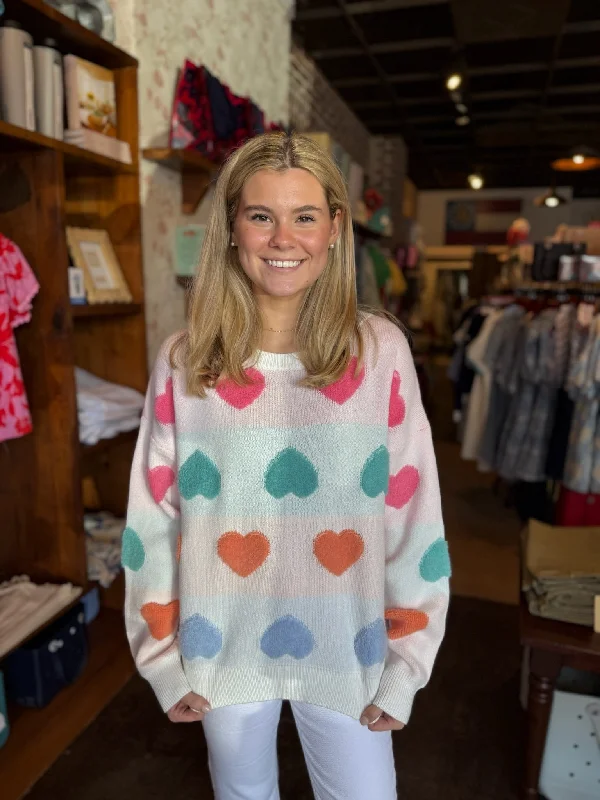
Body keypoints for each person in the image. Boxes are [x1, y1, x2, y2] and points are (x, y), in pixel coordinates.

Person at [123, 132, 450, 800]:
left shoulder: (378, 352)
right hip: (220, 646)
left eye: (304, 216)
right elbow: (151, 521)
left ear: (334, 228)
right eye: (260, 215)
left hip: (349, 646)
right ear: (233, 229)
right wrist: (160, 658)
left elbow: (414, 516)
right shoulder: (187, 363)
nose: (283, 237)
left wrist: (407, 662)